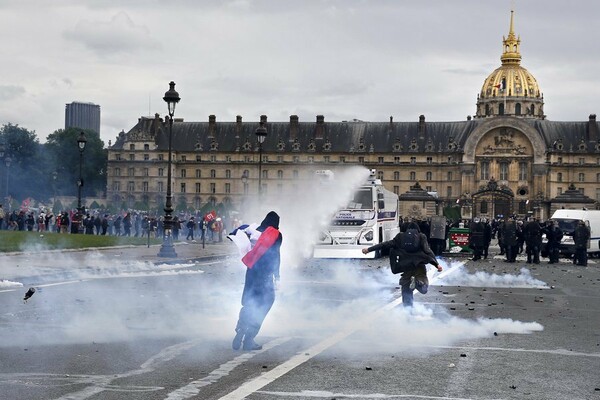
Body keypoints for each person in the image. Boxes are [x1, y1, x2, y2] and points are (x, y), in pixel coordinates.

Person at [232, 211, 282, 351]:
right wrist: (277, 277)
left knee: (249, 302)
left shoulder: (256, 231)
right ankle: (249, 338)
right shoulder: (276, 234)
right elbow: (276, 255)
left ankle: (240, 328)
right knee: (265, 303)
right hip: (265, 274)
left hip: (252, 272)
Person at [361, 222, 443, 307]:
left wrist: (369, 249)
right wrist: (437, 264)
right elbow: (428, 251)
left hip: (405, 267)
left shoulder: (400, 237)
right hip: (419, 267)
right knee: (423, 288)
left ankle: (408, 314)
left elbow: (385, 244)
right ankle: (417, 282)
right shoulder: (421, 236)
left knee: (406, 294)